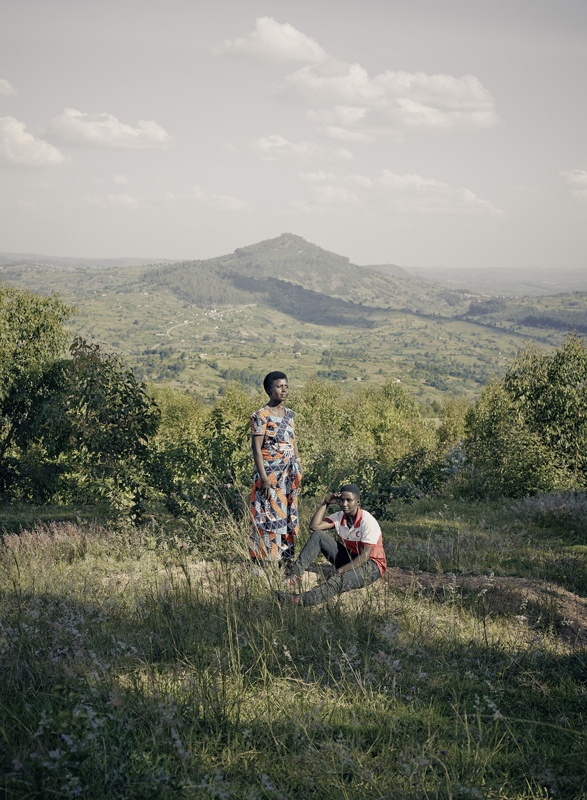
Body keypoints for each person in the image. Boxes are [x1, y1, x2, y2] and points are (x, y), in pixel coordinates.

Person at [276, 484, 386, 606]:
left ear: (357, 502)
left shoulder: (367, 521)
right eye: (341, 500)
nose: (344, 504)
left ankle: (299, 600)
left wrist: (341, 570)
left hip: (371, 565)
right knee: (318, 535)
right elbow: (314, 526)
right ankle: (295, 573)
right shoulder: (339, 517)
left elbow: (365, 556)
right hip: (351, 558)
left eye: (349, 500)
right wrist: (326, 502)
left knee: (337, 580)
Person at [249, 371, 302, 565]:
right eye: (280, 386)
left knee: (287, 513)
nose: (284, 390)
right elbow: (256, 448)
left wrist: (298, 464)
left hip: (288, 475)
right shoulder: (260, 416)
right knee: (267, 515)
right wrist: (264, 478)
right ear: (269, 390)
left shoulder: (289, 415)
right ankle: (264, 560)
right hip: (270, 474)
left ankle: (285, 560)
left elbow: (293, 442)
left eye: (286, 386)